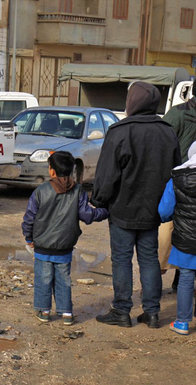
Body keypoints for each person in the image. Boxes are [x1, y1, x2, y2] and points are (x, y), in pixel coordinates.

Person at [92, 81, 181, 329]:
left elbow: (107, 174)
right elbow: (176, 170)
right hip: (154, 210)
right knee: (149, 259)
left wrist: (98, 201)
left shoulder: (120, 131)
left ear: (132, 102)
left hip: (123, 209)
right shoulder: (167, 131)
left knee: (122, 260)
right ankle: (152, 313)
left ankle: (121, 310)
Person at [22, 151, 108, 325]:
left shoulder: (41, 191)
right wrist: (105, 211)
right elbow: (87, 215)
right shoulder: (78, 191)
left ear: (52, 171)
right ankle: (67, 313)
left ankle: (44, 311)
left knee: (43, 279)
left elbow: (29, 218)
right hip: (65, 246)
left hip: (42, 246)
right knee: (63, 279)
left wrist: (28, 237)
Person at [158, 142, 196, 335]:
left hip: (185, 237)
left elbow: (164, 211)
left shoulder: (177, 178)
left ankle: (182, 322)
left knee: (187, 277)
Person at [160, 87, 196, 291]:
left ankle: (157, 287)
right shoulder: (179, 114)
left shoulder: (177, 113)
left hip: (177, 181)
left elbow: (160, 141)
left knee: (166, 234)